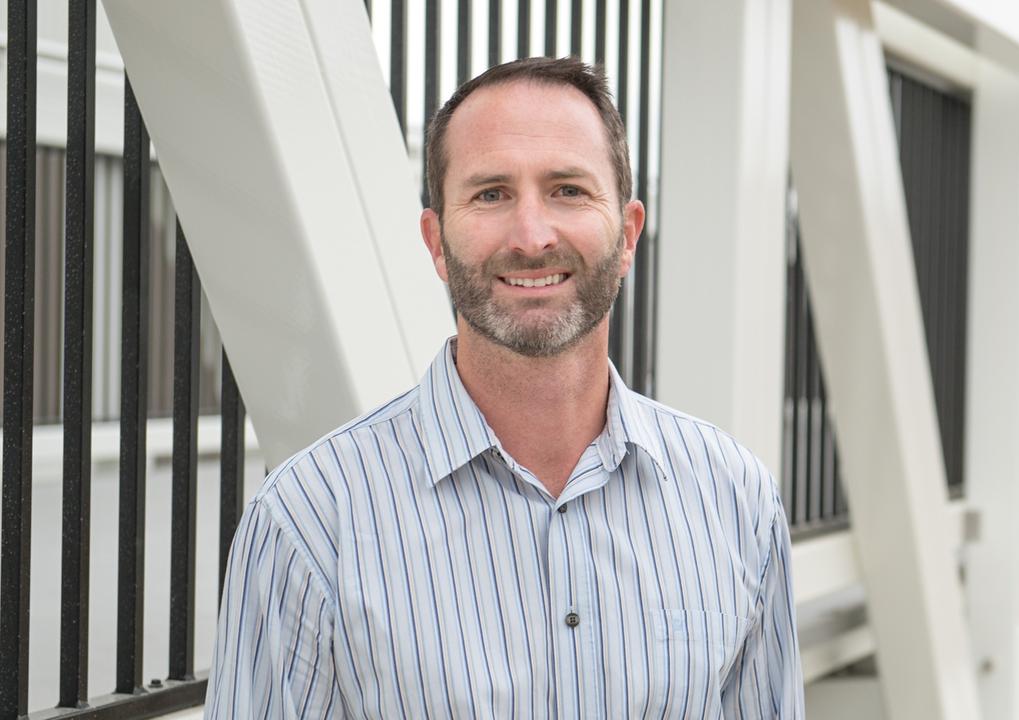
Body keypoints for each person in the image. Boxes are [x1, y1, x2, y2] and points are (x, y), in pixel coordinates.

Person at [207, 57, 803, 719]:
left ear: (628, 234)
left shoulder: (735, 500)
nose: (531, 236)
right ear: (436, 242)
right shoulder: (310, 522)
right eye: (490, 193)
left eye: (568, 190)